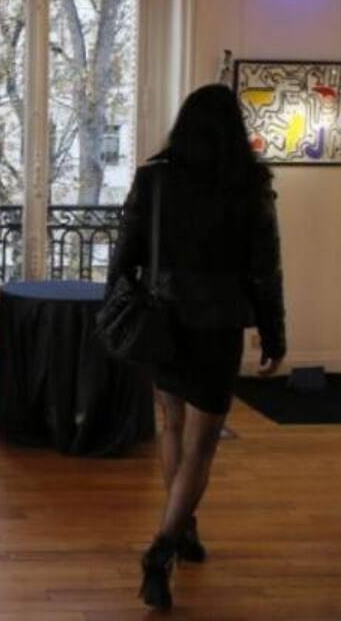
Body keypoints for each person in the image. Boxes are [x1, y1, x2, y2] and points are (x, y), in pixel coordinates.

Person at [105, 83, 287, 611]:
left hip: (164, 322)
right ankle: (164, 546)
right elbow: (266, 270)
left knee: (173, 427)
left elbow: (124, 255)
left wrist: (113, 310)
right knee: (202, 446)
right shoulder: (250, 185)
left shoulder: (154, 179)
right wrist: (273, 334)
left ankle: (181, 528)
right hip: (217, 326)